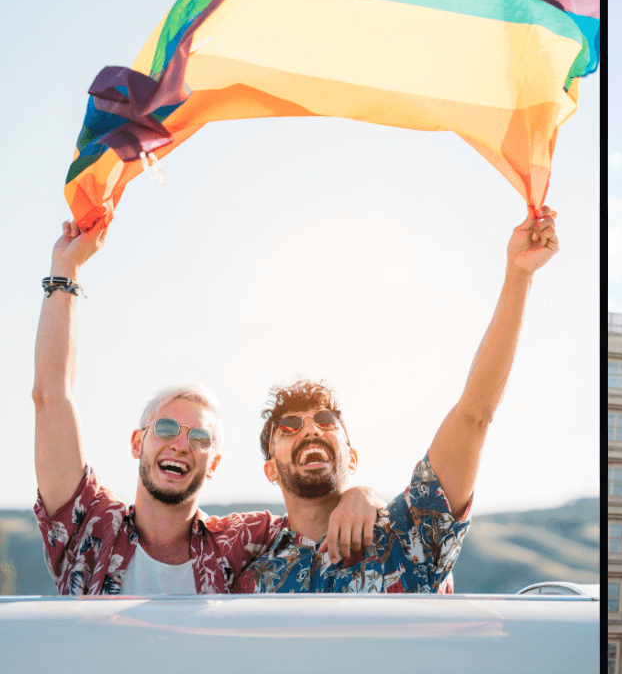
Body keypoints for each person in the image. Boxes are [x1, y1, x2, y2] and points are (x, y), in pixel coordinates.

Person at [32, 220, 385, 595]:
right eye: (166, 428)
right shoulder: (90, 525)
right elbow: (50, 398)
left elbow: (311, 503)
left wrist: (362, 495)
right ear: (138, 442)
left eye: (200, 438)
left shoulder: (242, 541)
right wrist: (64, 271)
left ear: (213, 464)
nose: (181, 445)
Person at [234, 206, 559, 593]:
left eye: (325, 421)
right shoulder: (250, 580)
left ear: (351, 457)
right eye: (289, 426)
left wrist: (518, 275)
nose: (309, 430)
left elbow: (475, 413)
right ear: (270, 469)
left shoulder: (408, 536)